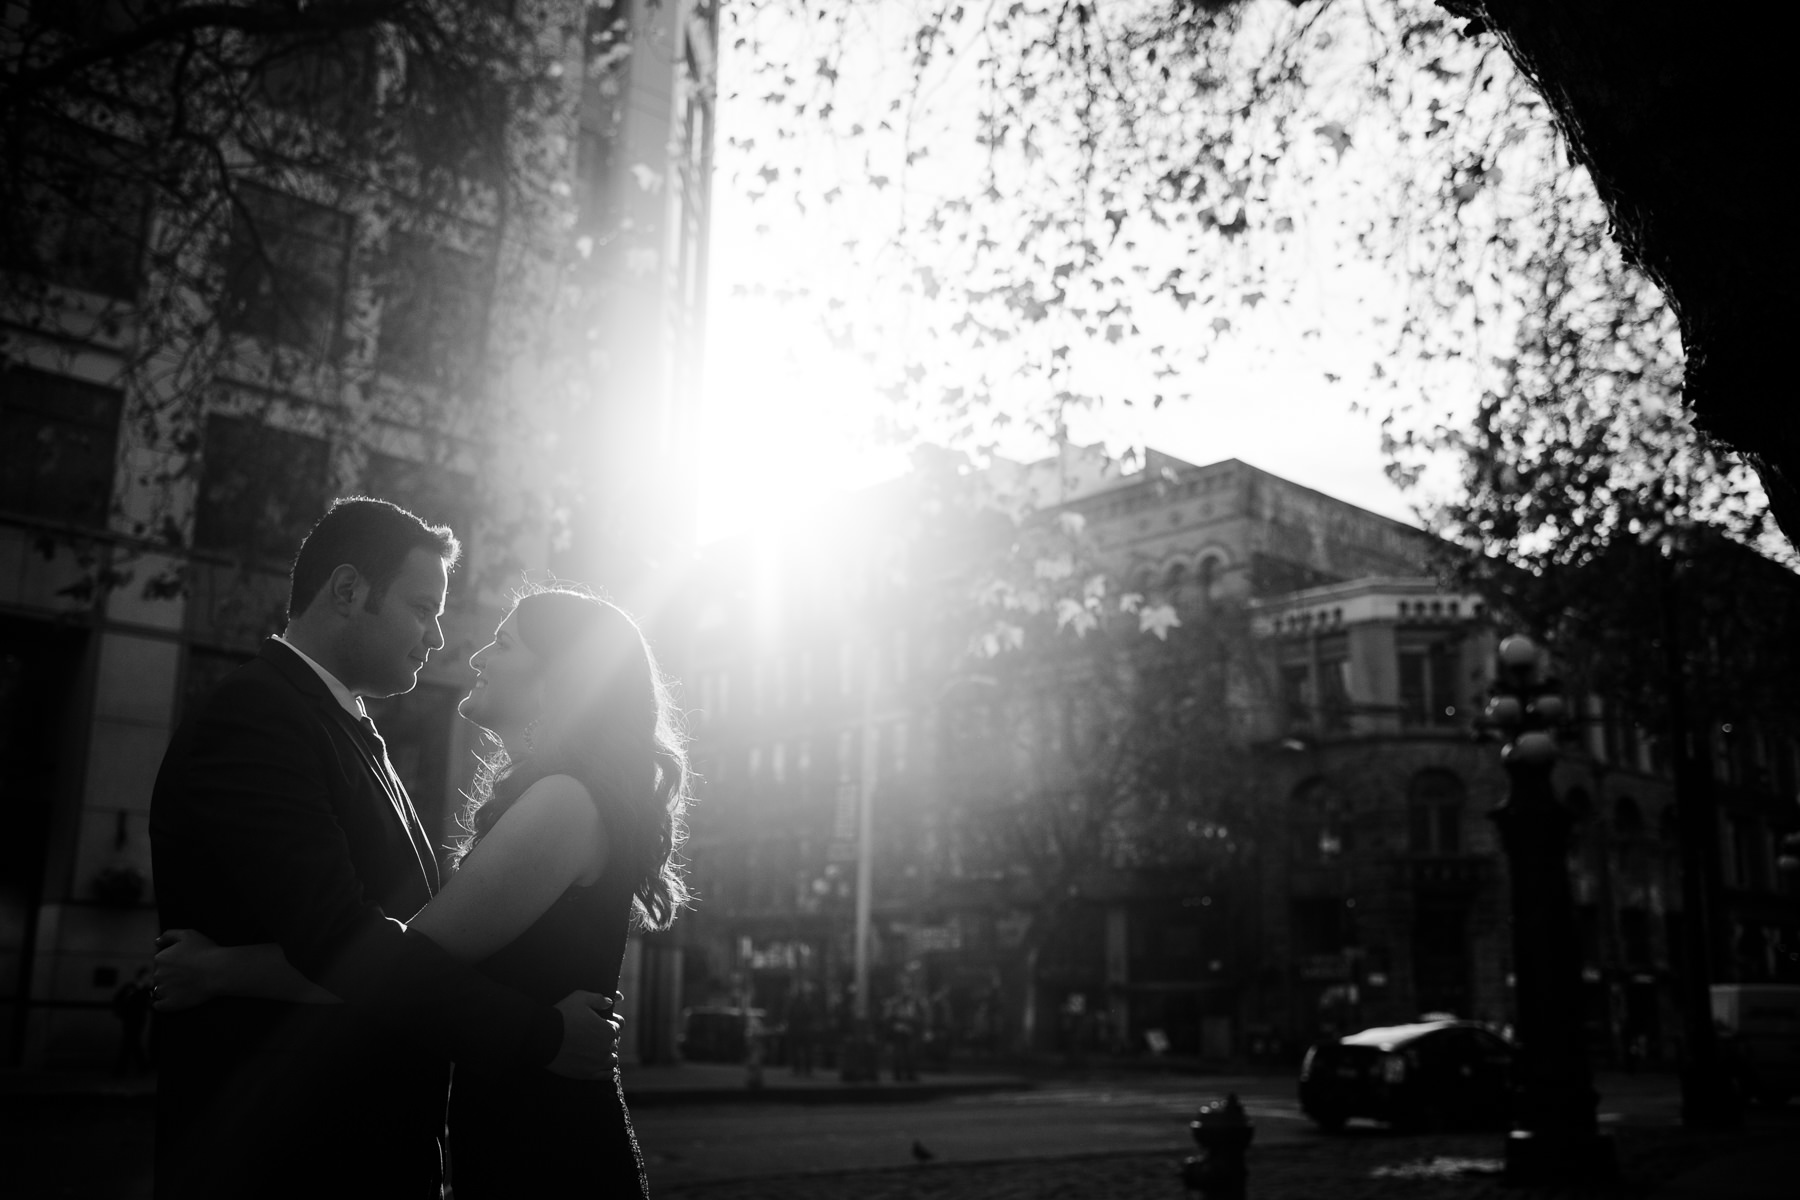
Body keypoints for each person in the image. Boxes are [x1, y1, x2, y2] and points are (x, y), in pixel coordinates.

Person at [148, 500, 625, 1199]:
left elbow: (403, 940)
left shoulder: (344, 726)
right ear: (347, 591)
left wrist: (223, 969)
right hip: (286, 1152)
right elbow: (341, 938)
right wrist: (539, 1037)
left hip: (355, 1148)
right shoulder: (259, 717)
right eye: (422, 607)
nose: (439, 638)